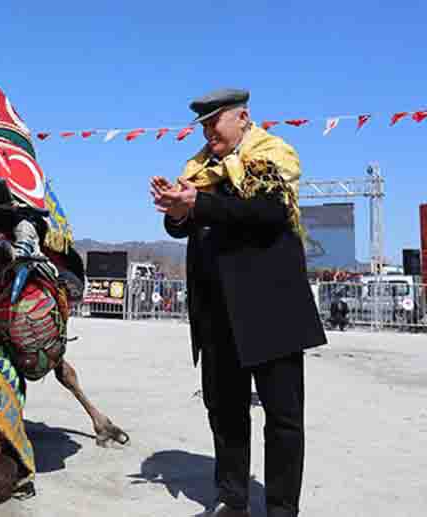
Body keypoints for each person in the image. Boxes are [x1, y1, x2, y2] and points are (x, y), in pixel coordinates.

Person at [150, 88, 326, 517]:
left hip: (270, 309)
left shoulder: (271, 157)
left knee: (283, 418)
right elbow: (188, 226)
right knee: (225, 412)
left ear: (243, 117)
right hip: (216, 312)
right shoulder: (200, 169)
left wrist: (200, 203)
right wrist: (177, 211)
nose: (208, 131)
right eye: (204, 125)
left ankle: (282, 508)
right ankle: (232, 498)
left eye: (216, 122)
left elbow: (268, 213)